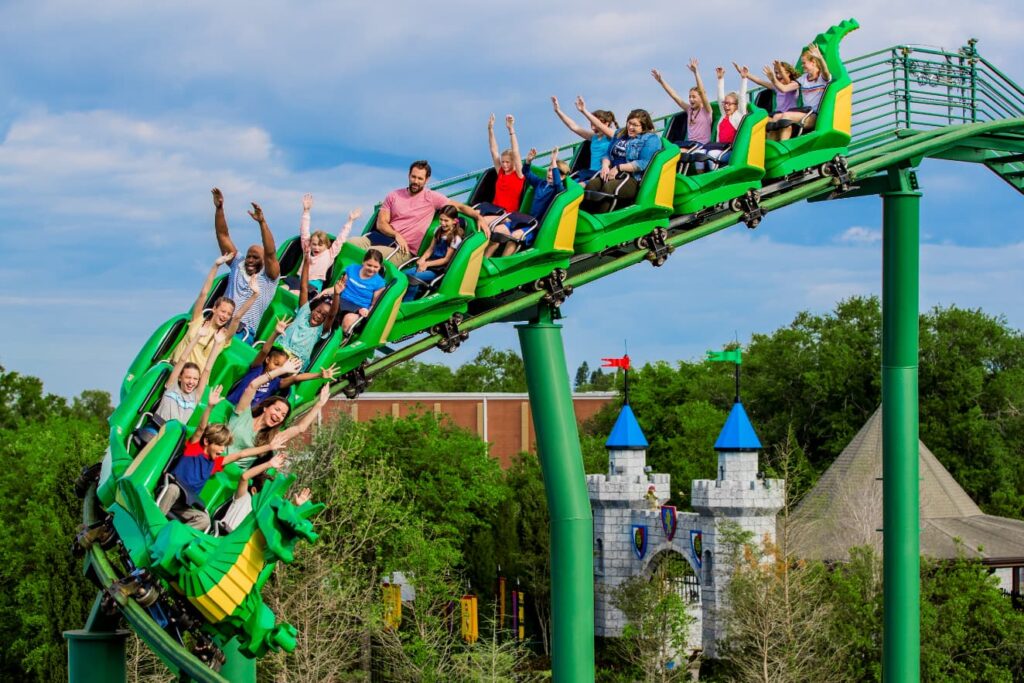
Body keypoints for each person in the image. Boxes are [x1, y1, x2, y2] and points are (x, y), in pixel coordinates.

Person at [346, 161, 479, 266]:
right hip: (382, 237)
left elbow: (460, 207)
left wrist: (478, 217)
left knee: (370, 255)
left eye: (420, 178)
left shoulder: (432, 198)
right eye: (413, 177)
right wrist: (396, 234)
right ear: (409, 175)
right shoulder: (394, 195)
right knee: (348, 245)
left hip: (403, 250)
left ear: (427, 180)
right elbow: (381, 224)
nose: (415, 181)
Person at [212, 187, 282, 340]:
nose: (250, 260)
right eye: (249, 256)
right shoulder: (238, 263)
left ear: (263, 261)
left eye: (255, 258)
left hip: (242, 330)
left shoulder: (269, 277)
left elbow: (270, 253)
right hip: (220, 322)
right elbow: (223, 235)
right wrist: (219, 209)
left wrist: (262, 222)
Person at [221, 377, 330, 471]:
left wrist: (319, 404)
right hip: (217, 459)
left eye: (283, 415)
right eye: (277, 410)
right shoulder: (243, 413)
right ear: (265, 407)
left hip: (232, 472)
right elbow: (252, 386)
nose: (278, 416)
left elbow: (300, 428)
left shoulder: (272, 438)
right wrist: (279, 371)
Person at [225, 319, 338, 407]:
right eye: (276, 363)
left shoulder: (276, 383)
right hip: (231, 404)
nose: (277, 369)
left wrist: (319, 375)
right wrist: (275, 333)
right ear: (267, 360)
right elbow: (264, 351)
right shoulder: (256, 369)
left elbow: (296, 378)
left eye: (281, 367)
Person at [171, 253, 255, 370]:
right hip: (175, 367)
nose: (225, 316)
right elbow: (203, 294)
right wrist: (216, 266)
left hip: (194, 377)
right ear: (214, 309)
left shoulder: (223, 336)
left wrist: (255, 295)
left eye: (228, 314)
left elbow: (237, 317)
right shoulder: (198, 320)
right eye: (223, 311)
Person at [484, 147, 567, 257]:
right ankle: (484, 260)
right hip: (525, 220)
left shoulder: (558, 190)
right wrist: (528, 161)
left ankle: (504, 263)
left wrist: (554, 161)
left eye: (554, 171)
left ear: (562, 177)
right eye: (549, 169)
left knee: (515, 236)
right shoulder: (541, 183)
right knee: (497, 230)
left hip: (536, 225)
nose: (550, 173)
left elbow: (557, 183)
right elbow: (526, 172)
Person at [157, 421, 236, 531]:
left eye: (224, 446)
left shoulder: (214, 464)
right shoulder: (194, 449)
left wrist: (263, 449)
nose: (223, 449)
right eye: (219, 444)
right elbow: (201, 428)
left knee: (205, 520)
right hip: (169, 491)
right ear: (206, 441)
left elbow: (240, 455)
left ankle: (173, 534)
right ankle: (155, 526)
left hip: (182, 505)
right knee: (173, 489)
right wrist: (209, 410)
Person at [582, 109, 662, 214]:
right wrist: (605, 166)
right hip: (612, 174)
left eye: (635, 125)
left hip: (632, 179)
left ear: (643, 126)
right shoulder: (620, 134)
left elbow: (643, 163)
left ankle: (601, 219)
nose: (630, 127)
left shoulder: (651, 139)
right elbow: (607, 154)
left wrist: (619, 168)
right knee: (592, 185)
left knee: (609, 187)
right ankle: (587, 217)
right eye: (629, 123)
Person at [282, 194, 362, 295]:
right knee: (282, 289)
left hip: (312, 286)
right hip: (298, 281)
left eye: (320, 245)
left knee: (296, 293)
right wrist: (306, 211)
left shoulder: (329, 254)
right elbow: (304, 231)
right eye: (314, 244)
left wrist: (350, 221)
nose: (316, 247)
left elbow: (340, 239)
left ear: (326, 246)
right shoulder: (307, 250)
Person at [276, 245, 343, 367]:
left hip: (295, 362)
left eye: (323, 316)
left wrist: (337, 294)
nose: (319, 316)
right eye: (318, 311)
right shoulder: (304, 313)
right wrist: (306, 262)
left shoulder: (320, 329)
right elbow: (304, 287)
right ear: (313, 309)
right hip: (279, 351)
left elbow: (331, 315)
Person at [218, 452, 313, 534]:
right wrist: (269, 464)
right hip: (223, 535)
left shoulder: (265, 512)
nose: (268, 499)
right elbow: (244, 477)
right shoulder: (244, 498)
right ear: (254, 491)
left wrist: (295, 505)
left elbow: (282, 517)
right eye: (266, 494)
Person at [766, 44, 831, 140]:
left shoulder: (821, 78)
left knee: (786, 115)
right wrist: (773, 79)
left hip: (814, 115)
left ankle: (784, 145)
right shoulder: (803, 79)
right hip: (804, 112)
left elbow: (826, 73)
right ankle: (774, 146)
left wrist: (820, 58)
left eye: (804, 63)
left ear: (813, 62)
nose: (802, 66)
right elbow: (784, 89)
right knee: (776, 117)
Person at [401, 205, 465, 301]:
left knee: (414, 277)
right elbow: (430, 249)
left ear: (454, 221)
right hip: (428, 263)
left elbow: (446, 259)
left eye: (446, 221)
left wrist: (427, 264)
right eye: (441, 219)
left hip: (437, 270)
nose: (442, 223)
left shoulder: (455, 239)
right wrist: (422, 259)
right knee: (403, 274)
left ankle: (408, 302)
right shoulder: (438, 230)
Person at [651, 58, 712, 153]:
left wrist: (696, 72)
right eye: (690, 97)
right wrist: (661, 81)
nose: (691, 99)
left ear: (701, 98)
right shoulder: (689, 110)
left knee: (676, 152)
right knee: (667, 147)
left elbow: (702, 92)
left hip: (701, 145)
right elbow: (674, 96)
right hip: (689, 144)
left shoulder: (707, 110)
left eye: (694, 97)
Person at [551, 95, 617, 182]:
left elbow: (599, 125)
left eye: (594, 124)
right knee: (568, 183)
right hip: (590, 174)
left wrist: (584, 111)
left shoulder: (613, 135)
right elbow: (574, 127)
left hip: (602, 174)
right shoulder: (594, 137)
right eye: (591, 124)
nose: (593, 128)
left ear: (607, 123)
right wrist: (558, 111)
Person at [700, 65, 749, 168]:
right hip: (720, 147)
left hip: (732, 151)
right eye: (725, 103)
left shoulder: (739, 116)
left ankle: (714, 174)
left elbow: (742, 98)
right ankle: (701, 174)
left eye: (729, 104)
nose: (726, 106)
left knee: (712, 154)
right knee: (700, 153)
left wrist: (744, 79)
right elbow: (720, 98)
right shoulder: (723, 115)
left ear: (736, 105)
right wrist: (720, 79)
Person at [481, 114, 525, 214]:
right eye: (503, 162)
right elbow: (494, 150)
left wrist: (511, 129)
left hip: (506, 214)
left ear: (513, 162)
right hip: (493, 209)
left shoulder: (519, 174)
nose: (504, 165)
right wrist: (490, 129)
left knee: (480, 219)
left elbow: (515, 151)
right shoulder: (501, 172)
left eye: (507, 162)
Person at [337, 249, 387, 333]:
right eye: (369, 265)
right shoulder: (352, 269)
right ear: (363, 262)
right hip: (343, 300)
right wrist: (324, 293)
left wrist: (367, 312)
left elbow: (373, 305)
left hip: (359, 309)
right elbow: (341, 286)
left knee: (348, 320)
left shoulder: (379, 283)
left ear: (380, 267)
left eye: (376, 267)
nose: (372, 269)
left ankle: (340, 339)